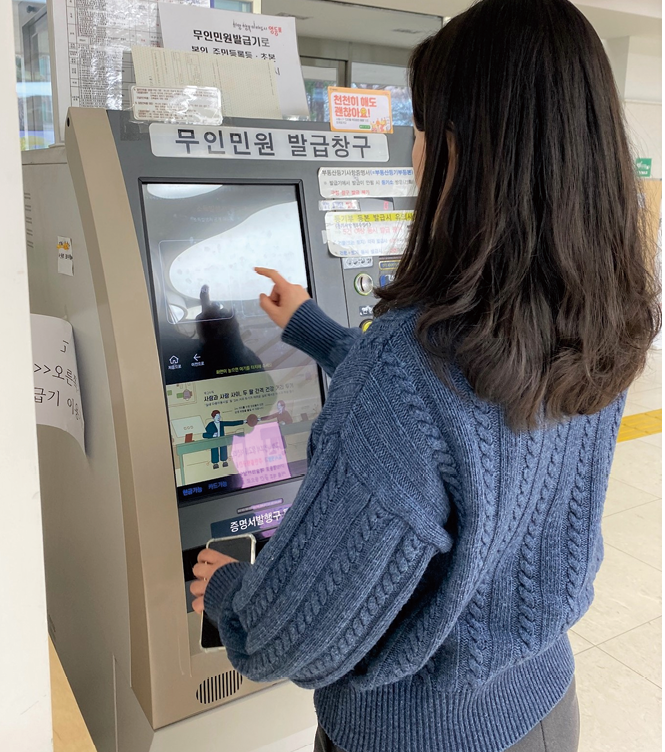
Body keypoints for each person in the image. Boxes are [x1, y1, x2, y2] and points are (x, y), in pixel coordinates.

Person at [189, 1, 660, 751]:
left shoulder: (410, 368)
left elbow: (293, 639)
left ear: (463, 154)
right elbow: (471, 423)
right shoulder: (602, 316)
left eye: (419, 130)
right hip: (543, 705)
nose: (410, 154)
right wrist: (317, 330)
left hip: (418, 734)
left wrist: (225, 590)